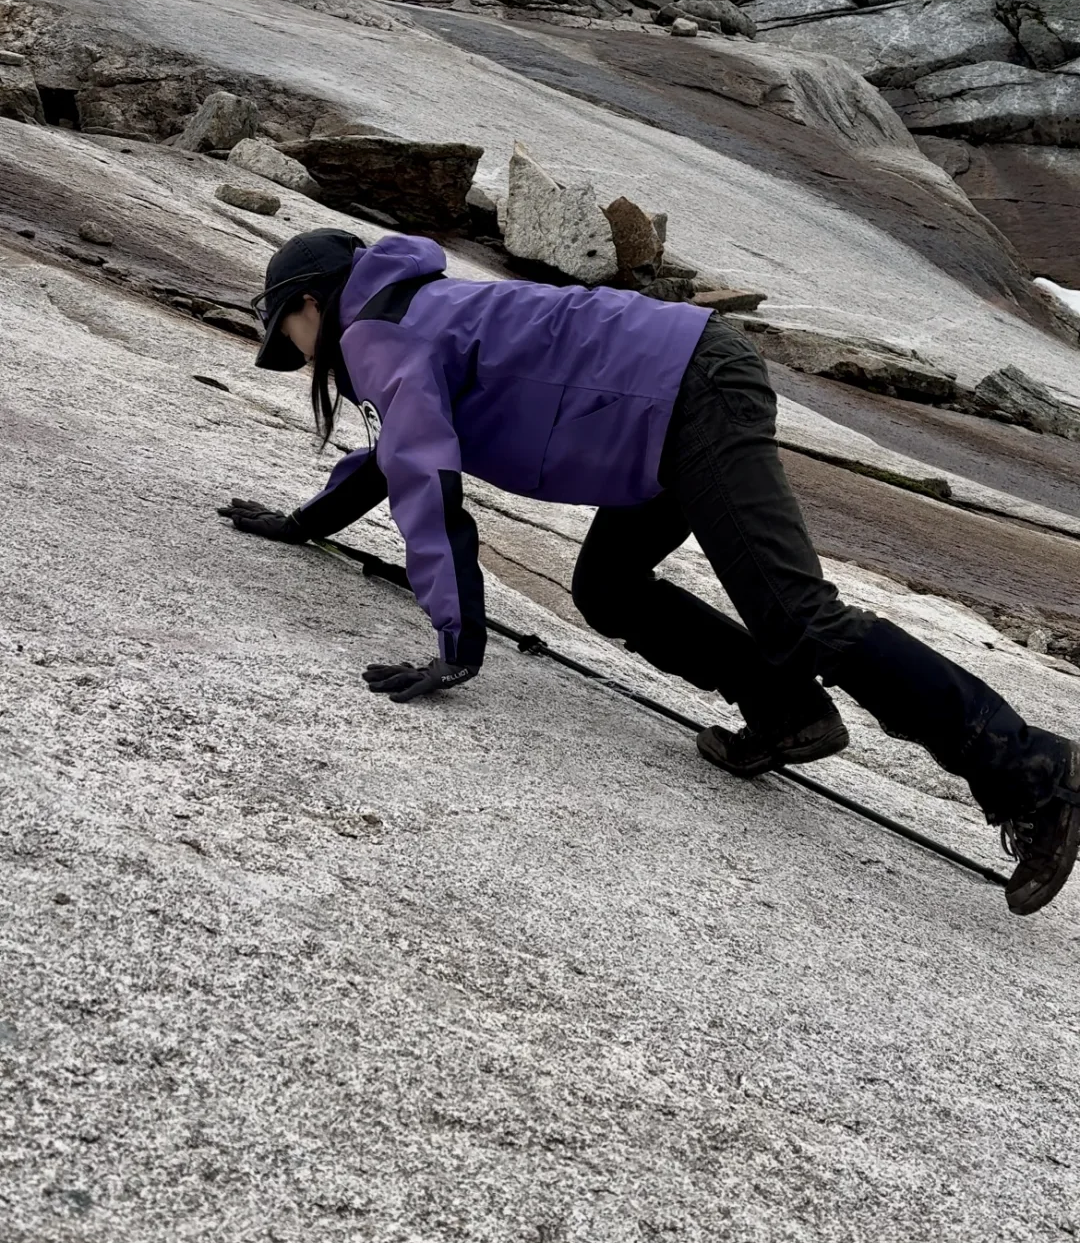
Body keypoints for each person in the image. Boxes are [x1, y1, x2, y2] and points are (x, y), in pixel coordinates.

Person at [220, 227, 1080, 917]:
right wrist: (306, 522)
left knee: (802, 617)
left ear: (308, 303)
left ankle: (1037, 774)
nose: (298, 356)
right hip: (669, 393)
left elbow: (424, 481)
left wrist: (457, 640)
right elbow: (397, 453)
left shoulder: (374, 330)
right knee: (608, 587)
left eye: (289, 337)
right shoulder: (404, 311)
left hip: (686, 392)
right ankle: (785, 710)